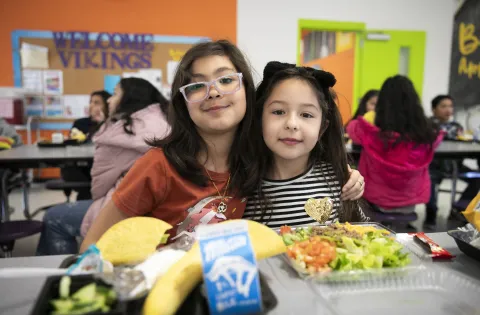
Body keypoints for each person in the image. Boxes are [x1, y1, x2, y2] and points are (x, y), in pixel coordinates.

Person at [79, 40, 365, 252]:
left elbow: (302, 157)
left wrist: (348, 174)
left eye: (226, 79)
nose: (213, 91)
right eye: (197, 85)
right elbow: (91, 246)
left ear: (247, 92)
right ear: (183, 102)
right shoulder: (158, 165)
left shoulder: (253, 162)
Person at [36, 78, 170, 255]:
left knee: (54, 217)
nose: (108, 100)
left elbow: (98, 188)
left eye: (114, 94)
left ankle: (69, 275)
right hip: (164, 209)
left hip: (129, 210)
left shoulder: (119, 134)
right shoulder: (167, 121)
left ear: (129, 99)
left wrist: (107, 124)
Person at [243, 62, 366, 228]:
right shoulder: (241, 185)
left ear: (322, 128)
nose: (292, 124)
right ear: (260, 119)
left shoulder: (339, 179)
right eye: (278, 111)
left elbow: (363, 235)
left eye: (306, 114)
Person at [346, 75, 443, 215]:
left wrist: (371, 115)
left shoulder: (369, 128)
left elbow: (352, 129)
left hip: (374, 199)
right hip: (411, 201)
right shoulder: (427, 131)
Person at [426, 95, 480, 228]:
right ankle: (430, 215)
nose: (448, 109)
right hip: (433, 166)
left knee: (477, 177)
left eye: (450, 106)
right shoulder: (427, 125)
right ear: (434, 109)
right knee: (430, 183)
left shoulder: (456, 126)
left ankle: (458, 209)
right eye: (443, 106)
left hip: (455, 165)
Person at [61, 90, 111, 200]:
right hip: (78, 165)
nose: (91, 105)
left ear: (107, 106)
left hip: (101, 165)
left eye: (97, 103)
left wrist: (103, 123)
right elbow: (73, 143)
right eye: (91, 102)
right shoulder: (80, 123)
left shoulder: (112, 123)